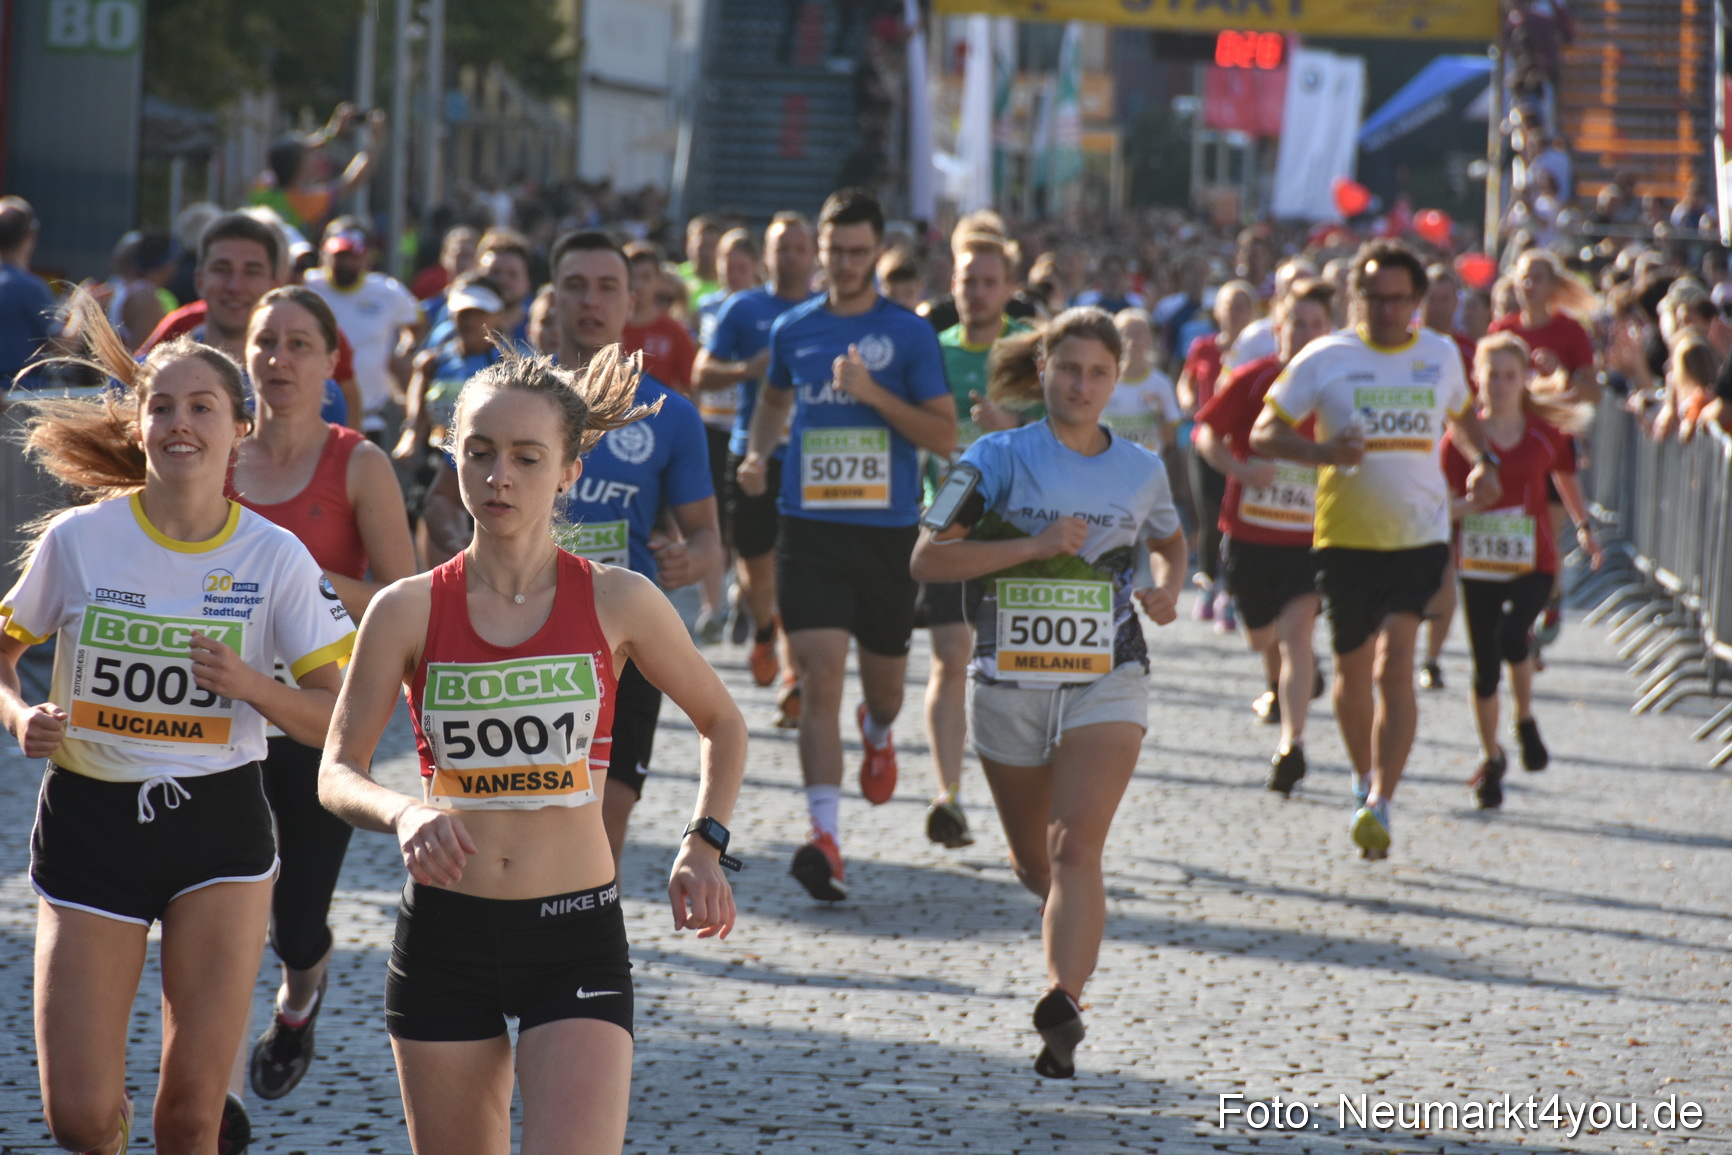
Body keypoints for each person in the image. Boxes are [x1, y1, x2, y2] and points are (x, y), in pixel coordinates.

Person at [316, 346, 743, 1155]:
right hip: (445, 934)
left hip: (573, 931)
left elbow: (724, 721)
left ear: (570, 471)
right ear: (454, 456)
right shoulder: (406, 610)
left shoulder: (619, 599)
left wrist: (704, 844)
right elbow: (337, 771)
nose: (499, 476)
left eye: (525, 457)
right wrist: (405, 810)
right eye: (479, 452)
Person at [0, 304, 353, 1155]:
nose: (181, 423)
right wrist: (21, 716)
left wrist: (249, 687)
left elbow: (338, 715)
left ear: (239, 428)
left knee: (193, 1116)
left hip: (218, 825)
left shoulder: (274, 558)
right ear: (138, 421)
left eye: (203, 407)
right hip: (91, 821)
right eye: (163, 405)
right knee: (81, 1118)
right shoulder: (81, 539)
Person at [909, 307, 1185, 1079]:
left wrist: (1170, 585)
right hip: (1008, 682)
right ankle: (1064, 923)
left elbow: (1168, 535)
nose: (1082, 384)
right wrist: (1032, 544)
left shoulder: (1140, 467)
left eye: (1099, 372)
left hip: (1109, 676)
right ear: (1043, 372)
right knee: (1038, 861)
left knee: (1075, 845)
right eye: (1069, 369)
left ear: (1118, 378)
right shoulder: (994, 457)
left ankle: (1064, 1000)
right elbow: (927, 559)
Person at [737, 187, 956, 900]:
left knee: (885, 687)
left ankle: (880, 729)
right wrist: (758, 453)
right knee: (821, 676)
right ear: (821, 252)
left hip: (888, 534)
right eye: (837, 252)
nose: (847, 263)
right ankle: (823, 837)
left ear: (877, 252)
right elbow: (774, 400)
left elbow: (943, 435)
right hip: (810, 527)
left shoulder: (911, 334)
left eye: (860, 252)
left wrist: (871, 393)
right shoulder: (795, 329)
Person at [1251, 241, 1501, 860]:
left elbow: (1465, 418)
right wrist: (1322, 453)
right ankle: (1364, 776)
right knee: (1355, 671)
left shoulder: (1440, 356)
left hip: (1419, 534)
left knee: (1397, 664)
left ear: (1417, 301)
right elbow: (1264, 431)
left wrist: (1484, 462)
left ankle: (1381, 800)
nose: (1386, 310)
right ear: (1355, 298)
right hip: (1344, 538)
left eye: (1397, 299)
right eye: (1373, 298)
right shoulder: (1326, 357)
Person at [229, 286, 417, 1103]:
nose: (278, 359)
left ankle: (300, 997)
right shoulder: (218, 452)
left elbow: (404, 596)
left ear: (333, 361)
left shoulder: (359, 463)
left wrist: (295, 579)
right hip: (217, 711)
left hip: (320, 718)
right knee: (220, 903)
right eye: (265, 342)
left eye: (299, 344)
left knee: (295, 922)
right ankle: (220, 1098)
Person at [550, 230, 720, 869]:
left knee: (604, 818)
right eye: (575, 285)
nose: (590, 301)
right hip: (520, 632)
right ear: (554, 297)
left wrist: (690, 560)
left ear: (633, 301)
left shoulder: (668, 415)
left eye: (607, 287)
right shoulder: (512, 400)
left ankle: (582, 952)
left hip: (625, 641)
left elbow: (705, 537)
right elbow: (453, 507)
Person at [1442, 333, 1600, 808]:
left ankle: (1525, 718)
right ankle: (1491, 759)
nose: (1502, 384)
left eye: (1511, 376)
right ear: (1478, 380)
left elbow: (1564, 477)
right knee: (1484, 670)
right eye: (1493, 375)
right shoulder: (1461, 442)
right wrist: (1468, 506)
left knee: (1513, 638)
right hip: (1479, 564)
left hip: (1533, 561)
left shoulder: (1541, 433)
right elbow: (1440, 504)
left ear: (1523, 380)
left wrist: (1585, 525)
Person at [1194, 280, 1335, 793]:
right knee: (1262, 636)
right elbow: (1205, 432)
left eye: (1315, 324)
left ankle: (1291, 745)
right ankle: (1282, 686)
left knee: (1298, 636)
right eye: (1295, 322)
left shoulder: (1337, 389)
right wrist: (1240, 468)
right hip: (1250, 535)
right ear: (1278, 328)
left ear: (1330, 332)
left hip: (1309, 541)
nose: (1303, 333)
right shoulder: (1254, 379)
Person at [919, 229, 1031, 849]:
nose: (978, 292)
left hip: (1016, 529)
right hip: (948, 523)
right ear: (952, 283)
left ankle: (1024, 799)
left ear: (1009, 289)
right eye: (968, 281)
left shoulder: (1028, 350)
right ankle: (948, 795)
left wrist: (1007, 424)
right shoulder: (931, 349)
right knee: (948, 658)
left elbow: (1066, 424)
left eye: (990, 282)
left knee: (1008, 674)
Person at [696, 212, 818, 708]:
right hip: (752, 451)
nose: (788, 256)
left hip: (810, 456)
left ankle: (795, 677)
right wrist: (750, 368)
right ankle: (764, 628)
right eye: (779, 247)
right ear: (765, 256)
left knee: (803, 566)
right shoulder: (743, 309)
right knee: (755, 565)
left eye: (797, 247)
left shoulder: (826, 311)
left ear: (813, 255)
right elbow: (702, 373)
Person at [142, 212, 363, 431]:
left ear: (274, 285)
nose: (235, 286)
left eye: (252, 272)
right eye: (222, 269)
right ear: (200, 280)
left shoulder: (320, 393)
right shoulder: (149, 376)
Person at [396, 275, 511, 568]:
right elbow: (419, 400)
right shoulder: (437, 362)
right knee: (430, 524)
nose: (470, 321)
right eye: (463, 313)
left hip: (485, 465)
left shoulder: (506, 365)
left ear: (496, 316)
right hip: (438, 459)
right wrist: (412, 435)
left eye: (479, 313)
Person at [1178, 279, 1256, 628]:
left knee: (1237, 519)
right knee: (1210, 515)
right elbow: (1186, 381)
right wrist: (1186, 401)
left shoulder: (1259, 352)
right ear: (1218, 310)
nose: (1236, 311)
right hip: (1205, 441)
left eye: (1243, 305)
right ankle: (1209, 582)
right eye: (1230, 304)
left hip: (1242, 446)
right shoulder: (1203, 347)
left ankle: (1234, 592)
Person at [305, 217, 424, 439]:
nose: (345, 263)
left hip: (371, 417)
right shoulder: (307, 286)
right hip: (314, 417)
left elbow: (417, 320)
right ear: (324, 253)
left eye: (352, 256)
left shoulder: (386, 291)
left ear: (367, 256)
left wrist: (405, 349)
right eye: (339, 256)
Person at [249, 104, 384, 235]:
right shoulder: (302, 203)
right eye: (308, 158)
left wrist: (331, 133)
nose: (314, 159)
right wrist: (374, 142)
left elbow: (289, 154)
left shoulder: (261, 189)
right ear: (298, 170)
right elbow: (352, 181)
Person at [622, 243, 697, 397]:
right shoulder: (605, 327)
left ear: (659, 281)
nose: (638, 285)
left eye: (646, 277)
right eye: (632, 277)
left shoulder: (675, 333)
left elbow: (691, 390)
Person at [0, 196, 57, 392]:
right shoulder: (29, 287)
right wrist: (82, 309)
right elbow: (61, 346)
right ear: (30, 234)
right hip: (18, 397)